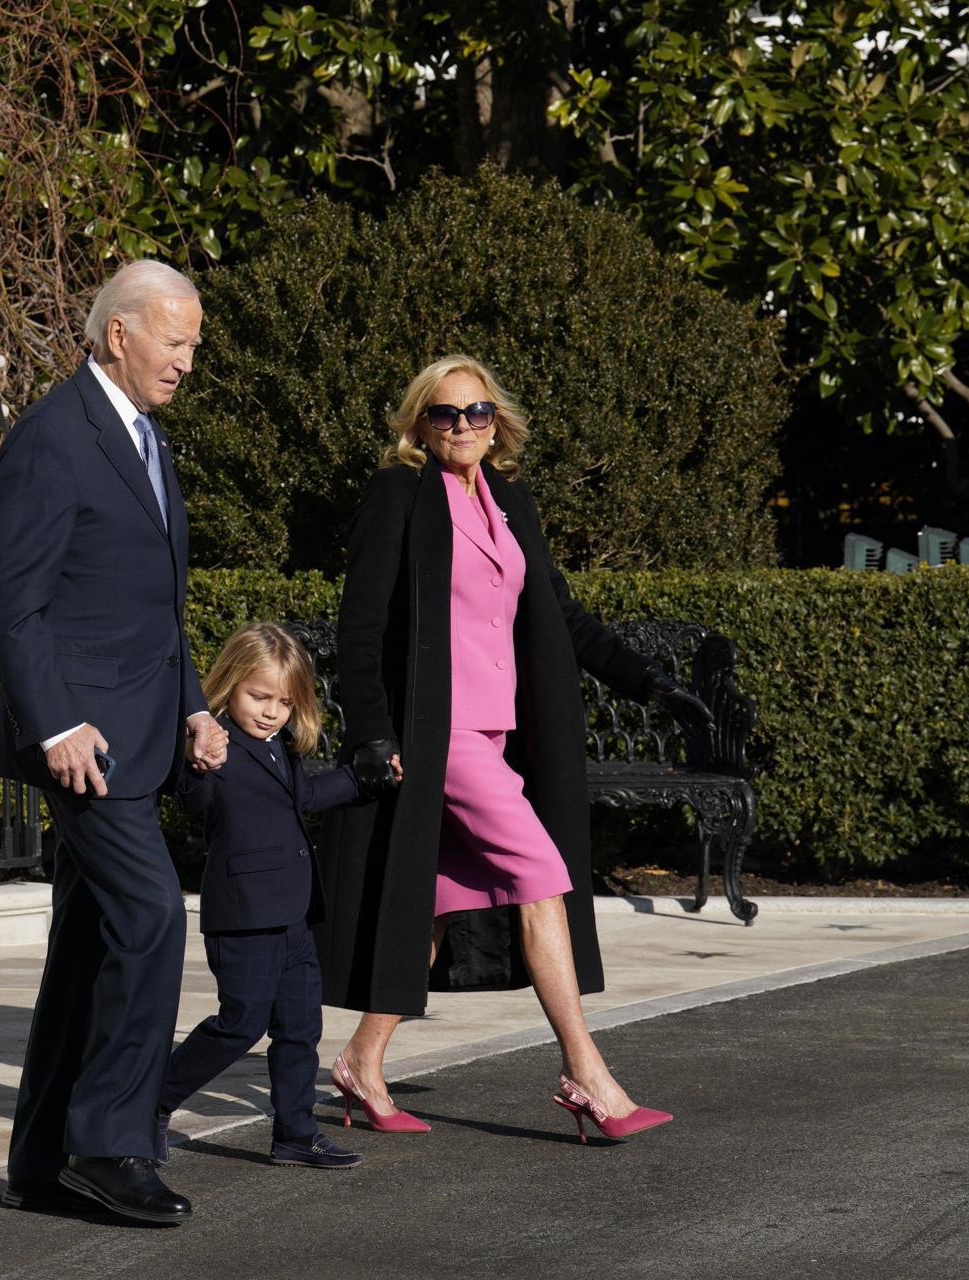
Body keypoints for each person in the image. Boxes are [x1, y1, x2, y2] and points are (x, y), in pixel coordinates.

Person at [316, 354, 715, 1143]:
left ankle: (363, 1060)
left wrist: (653, 685)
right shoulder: (399, 494)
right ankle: (586, 1074)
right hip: (442, 735)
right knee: (542, 877)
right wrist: (369, 731)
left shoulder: (509, 500)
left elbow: (562, 618)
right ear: (419, 422)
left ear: (497, 421)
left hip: (500, 737)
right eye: (445, 414)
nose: (463, 427)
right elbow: (359, 631)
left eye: (478, 413)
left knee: (444, 900)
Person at [0, 259, 230, 1224]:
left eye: (194, 346)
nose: (187, 363)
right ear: (119, 333)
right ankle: (112, 1143)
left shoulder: (144, 437)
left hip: (140, 728)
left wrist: (194, 707)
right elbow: (13, 602)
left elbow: (151, 610)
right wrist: (52, 724)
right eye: (176, 342)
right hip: (83, 743)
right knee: (155, 918)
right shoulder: (53, 436)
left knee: (87, 943)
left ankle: (41, 1158)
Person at [154, 623, 394, 1170]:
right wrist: (196, 758)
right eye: (258, 696)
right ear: (230, 684)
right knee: (240, 1024)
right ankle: (152, 1101)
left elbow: (303, 796)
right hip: (244, 916)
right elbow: (192, 802)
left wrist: (363, 780)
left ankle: (296, 1134)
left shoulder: (277, 746)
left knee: (300, 1028)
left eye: (284, 702)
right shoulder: (213, 741)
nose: (270, 711)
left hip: (294, 913)